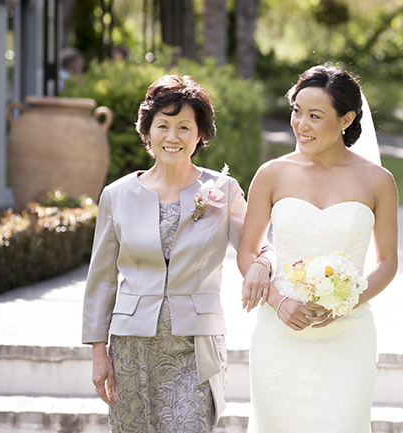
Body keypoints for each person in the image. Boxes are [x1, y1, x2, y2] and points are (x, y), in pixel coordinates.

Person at [82, 74, 273, 432]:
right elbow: (102, 280)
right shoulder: (117, 195)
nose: (172, 137)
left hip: (196, 345)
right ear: (147, 131)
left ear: (200, 134)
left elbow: (260, 243)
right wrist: (97, 352)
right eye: (163, 125)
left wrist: (265, 262)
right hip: (131, 347)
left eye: (184, 127)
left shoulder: (222, 189)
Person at [237, 65, 399, 432]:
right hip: (281, 331)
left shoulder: (379, 182)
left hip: (349, 334)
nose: (301, 124)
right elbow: (247, 251)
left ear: (347, 119)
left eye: (315, 115)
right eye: (296, 111)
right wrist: (279, 302)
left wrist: (347, 302)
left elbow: (387, 263)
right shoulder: (271, 174)